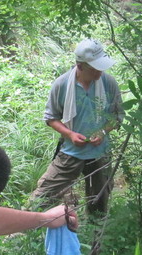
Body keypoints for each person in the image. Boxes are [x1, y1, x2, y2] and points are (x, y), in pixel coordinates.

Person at [30, 39, 125, 218]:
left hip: (100, 152)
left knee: (99, 199)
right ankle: (25, 228)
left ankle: (97, 237)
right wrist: (70, 134)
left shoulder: (108, 83)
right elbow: (51, 117)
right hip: (71, 151)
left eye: (101, 67)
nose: (99, 71)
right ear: (80, 66)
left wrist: (103, 132)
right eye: (94, 68)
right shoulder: (62, 84)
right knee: (44, 195)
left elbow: (117, 115)